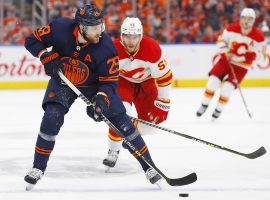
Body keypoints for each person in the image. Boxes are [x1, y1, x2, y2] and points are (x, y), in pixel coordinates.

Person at [23, 4, 162, 190]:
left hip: (94, 86)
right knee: (51, 118)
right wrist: (45, 56)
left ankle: (149, 167)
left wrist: (101, 99)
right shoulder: (59, 27)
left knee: (124, 125)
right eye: (94, 27)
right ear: (81, 26)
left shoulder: (105, 48)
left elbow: (110, 81)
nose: (100, 30)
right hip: (63, 80)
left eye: (101, 25)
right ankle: (37, 167)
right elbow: (32, 40)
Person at [102, 17, 173, 169]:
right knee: (120, 115)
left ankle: (128, 135)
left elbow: (165, 77)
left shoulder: (151, 48)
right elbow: (103, 76)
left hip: (146, 85)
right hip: (123, 84)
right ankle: (113, 151)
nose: (130, 41)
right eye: (127, 36)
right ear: (121, 36)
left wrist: (163, 102)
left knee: (153, 124)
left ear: (140, 36)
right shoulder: (113, 50)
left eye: (134, 36)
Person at [196, 8, 267, 120]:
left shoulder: (259, 37)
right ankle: (204, 105)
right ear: (240, 18)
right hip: (226, 61)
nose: (246, 21)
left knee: (227, 89)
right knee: (212, 82)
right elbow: (221, 40)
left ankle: (218, 110)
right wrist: (225, 51)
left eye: (249, 19)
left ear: (253, 20)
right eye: (244, 18)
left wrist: (253, 56)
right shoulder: (231, 28)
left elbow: (263, 56)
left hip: (241, 66)